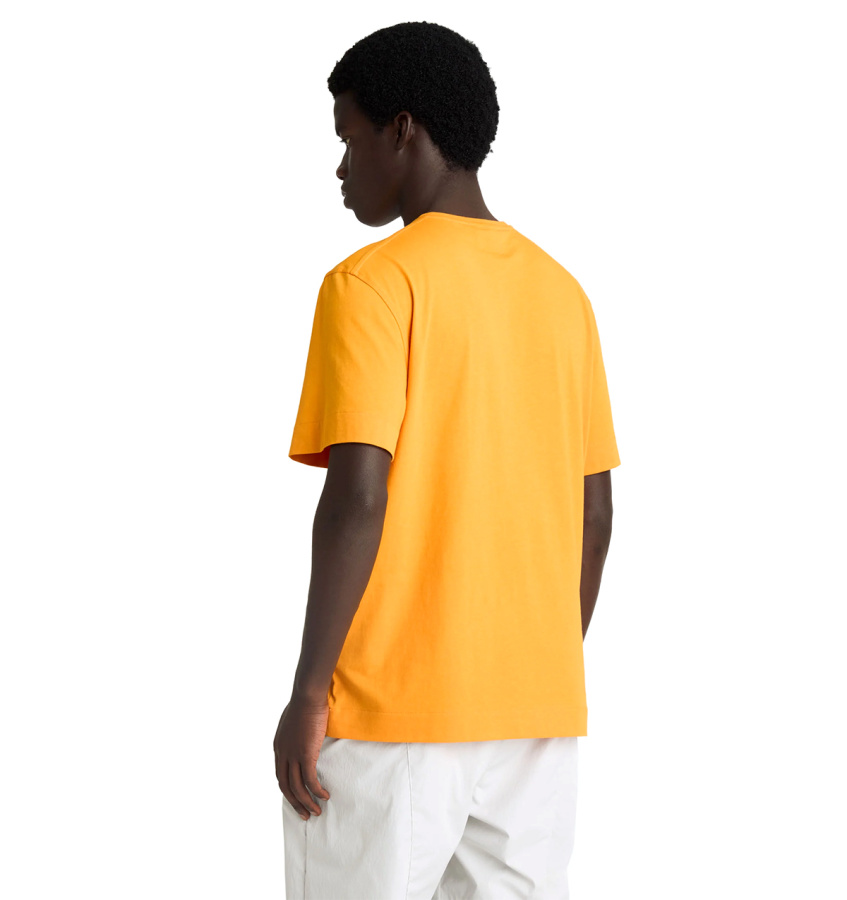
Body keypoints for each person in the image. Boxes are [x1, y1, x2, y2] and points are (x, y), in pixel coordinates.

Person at [273, 20, 620, 899]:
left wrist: (310, 692)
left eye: (349, 136)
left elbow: (359, 498)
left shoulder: (371, 283)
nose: (341, 167)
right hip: (535, 717)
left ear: (402, 129)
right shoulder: (562, 294)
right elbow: (594, 514)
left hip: (392, 712)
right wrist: (534, 664)